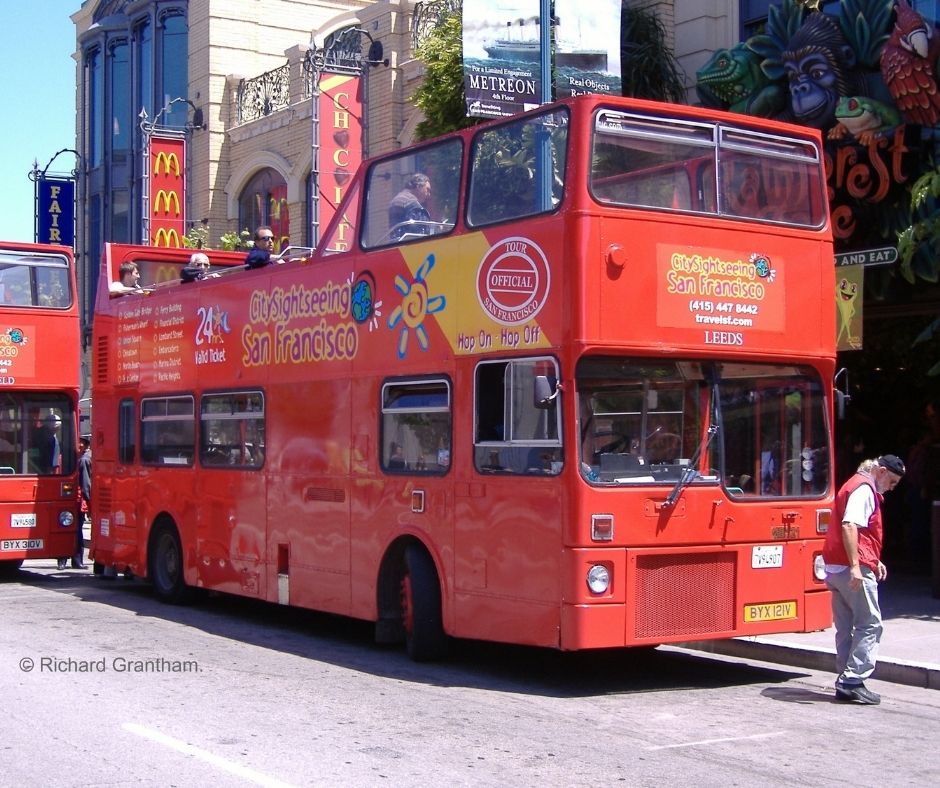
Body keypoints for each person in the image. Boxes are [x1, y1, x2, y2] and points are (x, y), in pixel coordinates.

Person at [823, 454, 906, 705]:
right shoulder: (864, 490)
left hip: (835, 566)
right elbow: (850, 526)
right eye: (891, 481)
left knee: (847, 626)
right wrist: (858, 567)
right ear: (880, 471)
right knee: (869, 624)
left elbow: (858, 531)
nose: (891, 488)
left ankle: (845, 679)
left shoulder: (854, 484)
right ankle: (853, 680)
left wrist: (872, 559)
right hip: (850, 569)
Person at [62, 436, 92, 570]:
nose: (79, 445)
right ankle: (75, 559)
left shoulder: (75, 458)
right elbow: (86, 484)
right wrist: (89, 499)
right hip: (77, 499)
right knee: (76, 529)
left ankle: (65, 559)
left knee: (70, 528)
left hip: (74, 498)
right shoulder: (83, 459)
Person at [388, 173, 432, 238]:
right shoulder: (412, 203)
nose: (429, 194)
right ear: (418, 186)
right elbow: (422, 231)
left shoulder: (395, 200)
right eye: (427, 190)